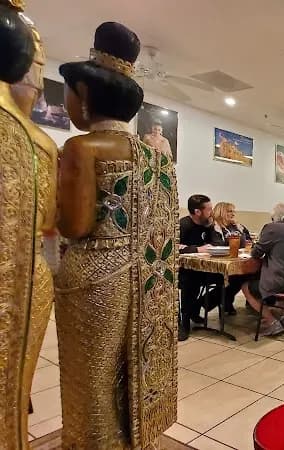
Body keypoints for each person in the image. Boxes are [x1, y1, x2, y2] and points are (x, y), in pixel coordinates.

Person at [54, 22, 179, 447]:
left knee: (90, 384)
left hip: (93, 278)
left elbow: (74, 225)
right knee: (128, 375)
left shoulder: (80, 149)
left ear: (85, 96)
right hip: (144, 281)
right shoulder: (156, 159)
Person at [1, 4, 59, 446]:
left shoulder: (35, 140)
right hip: (24, 277)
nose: (38, 82)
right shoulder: (30, 140)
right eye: (37, 66)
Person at [241, 203, 284, 336]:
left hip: (281, 281)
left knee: (246, 286)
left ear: (274, 217)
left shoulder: (272, 228)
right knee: (281, 276)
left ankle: (271, 321)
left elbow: (256, 253)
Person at [179, 194, 215, 340]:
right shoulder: (183, 225)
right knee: (190, 280)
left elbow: (213, 244)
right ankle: (184, 322)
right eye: (209, 209)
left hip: (204, 267)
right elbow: (174, 247)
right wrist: (196, 250)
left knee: (229, 279)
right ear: (197, 212)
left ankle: (195, 308)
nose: (211, 212)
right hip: (184, 269)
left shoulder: (208, 225)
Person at [209, 201, 252, 315]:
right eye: (229, 211)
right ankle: (205, 304)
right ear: (221, 212)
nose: (233, 213)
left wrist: (241, 236)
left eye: (234, 211)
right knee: (237, 278)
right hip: (219, 263)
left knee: (247, 275)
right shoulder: (214, 227)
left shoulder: (238, 226)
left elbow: (248, 241)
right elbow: (217, 244)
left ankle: (226, 301)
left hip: (237, 260)